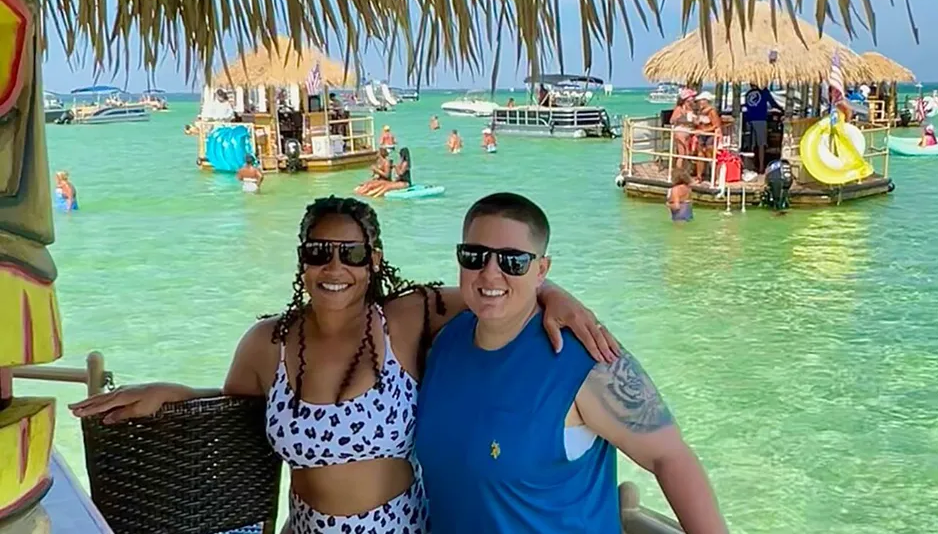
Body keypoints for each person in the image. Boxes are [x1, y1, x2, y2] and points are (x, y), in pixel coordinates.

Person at [68, 195, 617, 534]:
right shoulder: (267, 344)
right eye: (318, 252)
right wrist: (176, 394)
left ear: (373, 261)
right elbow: (241, 423)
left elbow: (498, 286)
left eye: (351, 253)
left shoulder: (408, 319)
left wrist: (558, 296)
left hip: (403, 527)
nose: (335, 266)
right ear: (302, 260)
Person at [415, 193, 726, 534]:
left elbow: (670, 457)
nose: (490, 274)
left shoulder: (587, 359)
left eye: (513, 261)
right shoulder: (443, 344)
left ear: (542, 270)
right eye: (475, 257)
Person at [742, 83, 783, 173]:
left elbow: (748, 106)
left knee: (752, 145)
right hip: (760, 120)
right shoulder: (764, 92)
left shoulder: (748, 93)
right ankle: (761, 167)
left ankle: (751, 166)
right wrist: (782, 110)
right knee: (761, 144)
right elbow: (773, 104)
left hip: (749, 120)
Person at [692, 92, 722, 183]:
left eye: (701, 100)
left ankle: (715, 178)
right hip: (702, 135)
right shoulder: (701, 111)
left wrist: (704, 131)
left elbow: (716, 125)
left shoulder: (711, 111)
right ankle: (699, 177)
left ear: (706, 101)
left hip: (710, 135)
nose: (700, 102)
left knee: (710, 156)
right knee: (700, 155)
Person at [669, 88, 697, 171]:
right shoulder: (679, 109)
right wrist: (679, 117)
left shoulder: (691, 109)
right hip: (680, 131)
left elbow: (693, 122)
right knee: (682, 154)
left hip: (688, 131)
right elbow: (671, 121)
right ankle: (678, 172)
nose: (692, 102)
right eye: (690, 100)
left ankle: (684, 171)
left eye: (692, 100)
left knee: (687, 153)